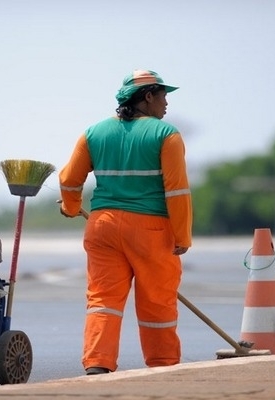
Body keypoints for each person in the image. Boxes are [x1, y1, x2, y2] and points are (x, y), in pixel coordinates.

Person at [58, 69, 193, 375]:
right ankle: (162, 364)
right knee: (157, 302)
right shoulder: (166, 135)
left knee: (103, 300)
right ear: (148, 97)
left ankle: (97, 362)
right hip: (151, 230)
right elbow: (178, 191)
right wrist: (182, 236)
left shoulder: (94, 133)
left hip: (103, 225)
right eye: (163, 96)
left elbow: (68, 179)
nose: (167, 103)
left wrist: (70, 207)